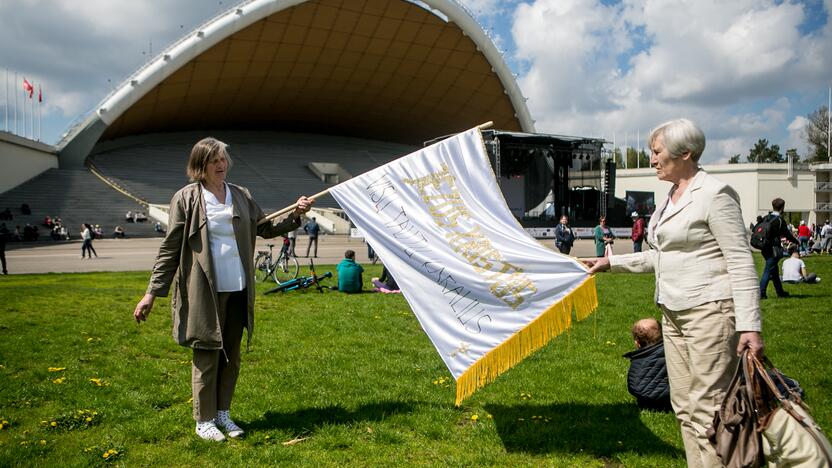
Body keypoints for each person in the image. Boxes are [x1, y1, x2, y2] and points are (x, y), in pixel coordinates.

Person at [585, 119, 763, 468]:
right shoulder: (670, 199)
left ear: (685, 153)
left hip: (710, 313)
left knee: (710, 407)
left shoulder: (715, 194)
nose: (651, 159)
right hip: (673, 313)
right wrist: (610, 264)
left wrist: (750, 326)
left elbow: (741, 262)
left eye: (656, 152)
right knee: (683, 406)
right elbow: (661, 255)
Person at [132, 137, 313, 442]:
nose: (221, 165)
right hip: (203, 290)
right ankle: (203, 420)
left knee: (232, 354)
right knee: (206, 354)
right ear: (200, 165)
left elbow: (265, 227)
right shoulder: (186, 198)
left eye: (224, 159)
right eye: (214, 160)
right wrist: (152, 292)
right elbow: (170, 248)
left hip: (239, 287)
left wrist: (296, 213)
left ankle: (223, 414)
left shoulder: (241, 195)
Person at [622, 318, 672, 411]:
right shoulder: (673, 352)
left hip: (648, 404)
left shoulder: (637, 363)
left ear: (637, 343)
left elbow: (634, 387)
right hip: (675, 401)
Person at [758, 198, 798, 299]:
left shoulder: (766, 217)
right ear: (782, 208)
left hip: (764, 247)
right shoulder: (780, 221)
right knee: (768, 270)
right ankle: (761, 293)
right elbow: (787, 234)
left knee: (774, 271)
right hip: (773, 248)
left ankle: (780, 292)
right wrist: (796, 241)